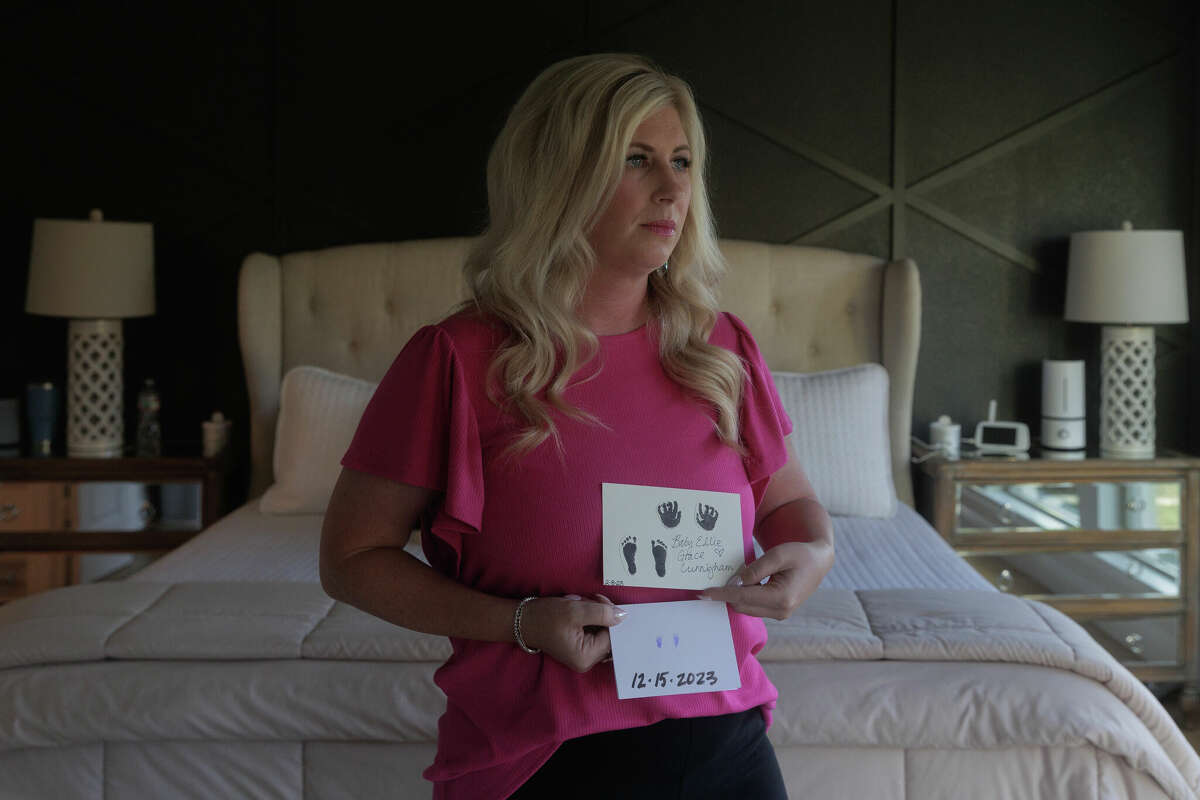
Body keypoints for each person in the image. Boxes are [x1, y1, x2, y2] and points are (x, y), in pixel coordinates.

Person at [320, 52, 835, 800]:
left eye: (682, 161)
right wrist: (520, 623)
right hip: (545, 757)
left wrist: (813, 553)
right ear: (561, 177)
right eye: (636, 159)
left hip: (725, 737)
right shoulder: (458, 360)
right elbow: (350, 558)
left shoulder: (719, 348)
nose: (672, 188)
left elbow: (789, 502)